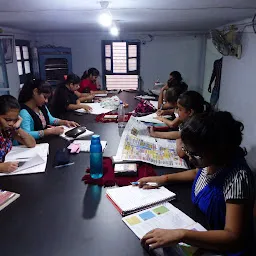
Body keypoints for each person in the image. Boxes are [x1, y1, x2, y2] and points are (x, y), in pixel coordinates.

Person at [139, 111, 255, 255]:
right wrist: (163, 179)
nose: (189, 157)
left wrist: (182, 235)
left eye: (194, 154)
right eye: (186, 150)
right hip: (202, 224)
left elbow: (233, 236)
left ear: (218, 150)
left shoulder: (238, 178)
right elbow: (198, 173)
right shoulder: (210, 161)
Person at [0, 95, 36, 173]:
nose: (11, 123)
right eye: (7, 119)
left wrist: (17, 128)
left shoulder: (7, 130)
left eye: (14, 120)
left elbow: (31, 143)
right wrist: (1, 167)